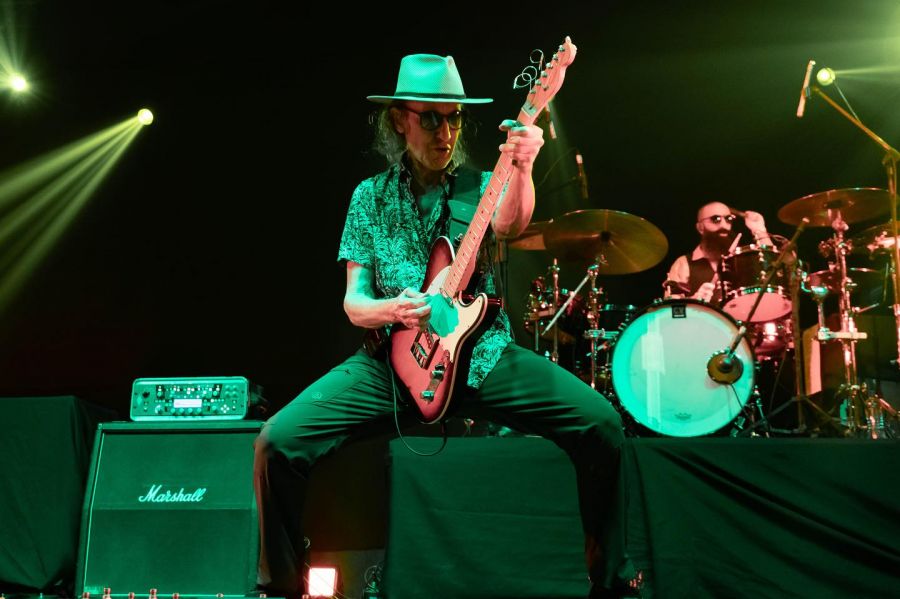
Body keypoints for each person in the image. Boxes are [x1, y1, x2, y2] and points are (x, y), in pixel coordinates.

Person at [252, 54, 640, 599]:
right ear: (399, 120)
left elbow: (511, 223)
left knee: (601, 424)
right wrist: (395, 310)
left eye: (454, 118)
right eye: (431, 118)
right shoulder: (369, 197)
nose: (445, 131)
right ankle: (281, 587)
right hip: (392, 364)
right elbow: (354, 302)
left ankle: (612, 585)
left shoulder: (481, 185)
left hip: (482, 359)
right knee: (277, 442)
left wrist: (523, 164)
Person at [664, 201, 772, 302]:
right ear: (700, 227)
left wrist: (759, 230)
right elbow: (671, 310)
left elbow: (772, 269)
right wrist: (694, 301)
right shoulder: (684, 263)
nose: (724, 225)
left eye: (728, 219)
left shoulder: (743, 260)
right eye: (715, 219)